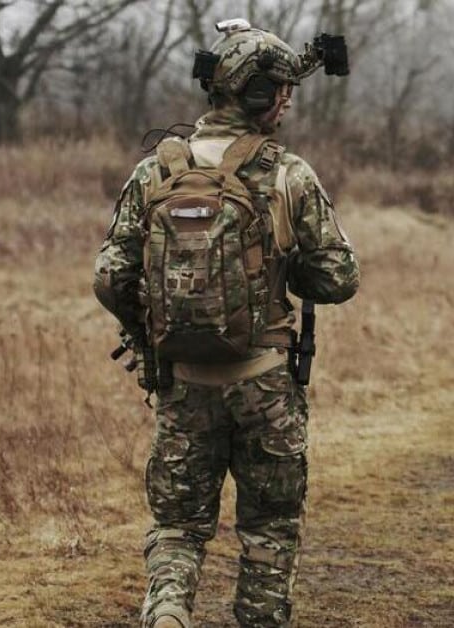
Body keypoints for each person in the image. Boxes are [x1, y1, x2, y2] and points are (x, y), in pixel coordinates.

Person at [93, 19, 359, 628]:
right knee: (269, 527)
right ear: (259, 95)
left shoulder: (156, 172)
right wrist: (281, 269)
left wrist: (150, 330)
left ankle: (167, 612)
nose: (287, 103)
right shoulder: (289, 173)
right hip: (266, 385)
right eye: (282, 92)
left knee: (178, 526)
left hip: (183, 383)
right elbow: (340, 278)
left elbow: (109, 275)